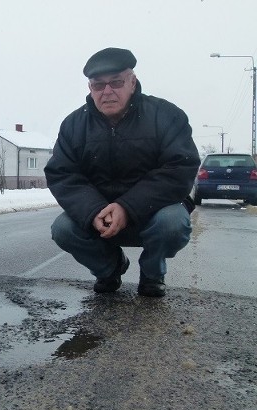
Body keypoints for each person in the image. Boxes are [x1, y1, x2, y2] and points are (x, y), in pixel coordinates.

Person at [44, 47, 200, 297]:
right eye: (98, 85)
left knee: (172, 222)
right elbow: (63, 173)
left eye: (116, 82)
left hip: (153, 213)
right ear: (90, 88)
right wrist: (93, 210)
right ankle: (110, 268)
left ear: (132, 81)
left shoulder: (166, 115)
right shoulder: (74, 125)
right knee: (63, 228)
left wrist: (127, 208)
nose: (107, 91)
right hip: (101, 215)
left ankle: (152, 273)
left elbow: (180, 166)